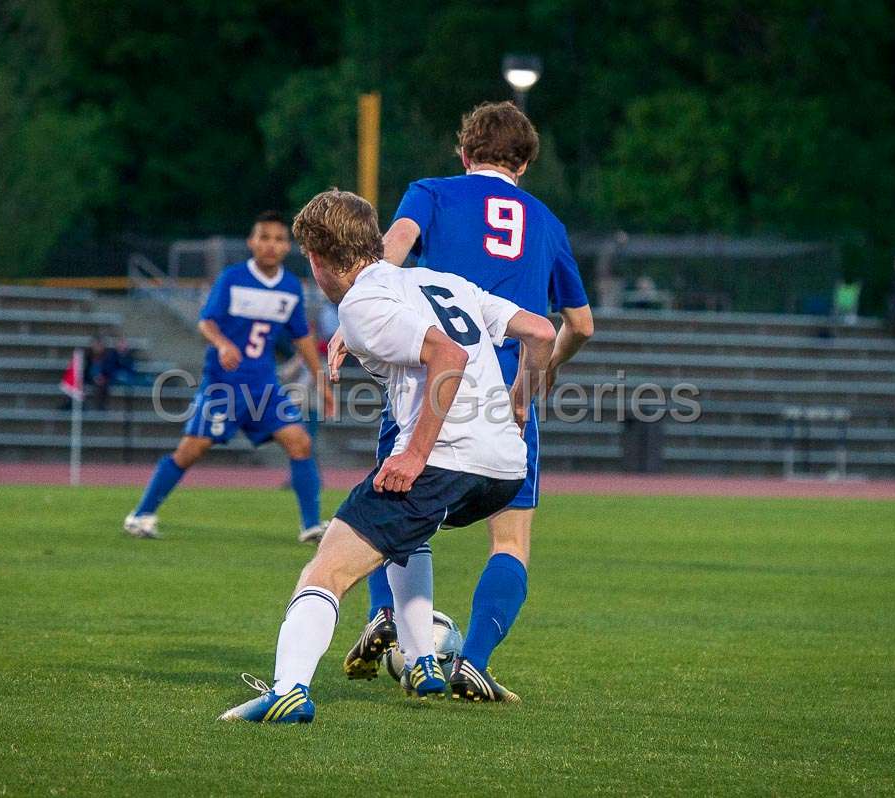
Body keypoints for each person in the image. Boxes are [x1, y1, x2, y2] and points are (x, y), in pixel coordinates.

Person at [218, 189, 556, 723]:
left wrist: (416, 454)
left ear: (318, 259)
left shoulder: (359, 305)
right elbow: (542, 330)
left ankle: (288, 691)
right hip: (505, 470)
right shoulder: (439, 281)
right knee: (403, 531)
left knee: (325, 572)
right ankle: (423, 661)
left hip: (447, 460)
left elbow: (447, 354)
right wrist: (520, 401)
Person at [330, 101, 593, 701]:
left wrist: (360, 311)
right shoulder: (548, 223)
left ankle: (388, 618)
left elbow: (394, 244)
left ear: (464, 152)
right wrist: (536, 382)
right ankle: (472, 659)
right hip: (505, 400)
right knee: (511, 543)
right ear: (524, 163)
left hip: (430, 388)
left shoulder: (432, 191)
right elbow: (579, 323)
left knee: (395, 514)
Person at [123, 211, 332, 543]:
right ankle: (141, 514)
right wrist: (222, 345)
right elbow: (206, 322)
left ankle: (311, 526)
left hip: (264, 389)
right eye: (264, 237)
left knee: (300, 442)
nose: (271, 245)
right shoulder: (232, 278)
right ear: (252, 242)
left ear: (287, 246)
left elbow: (301, 337)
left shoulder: (291, 287)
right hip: (224, 387)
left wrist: (322, 379)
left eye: (278, 239)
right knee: (191, 451)